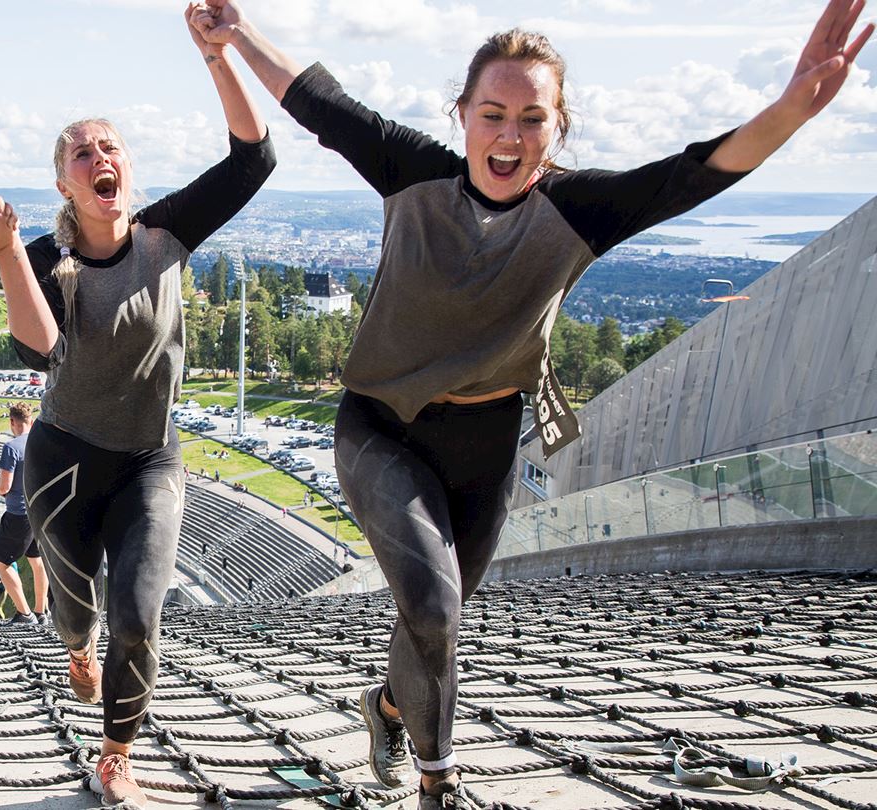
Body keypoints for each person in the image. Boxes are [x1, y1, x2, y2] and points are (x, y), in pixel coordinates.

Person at [194, 1, 870, 806]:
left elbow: (695, 171)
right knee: (437, 607)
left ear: (557, 130)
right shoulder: (414, 173)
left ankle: (385, 706)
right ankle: (437, 783)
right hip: (382, 424)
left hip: (486, 439)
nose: (508, 137)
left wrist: (793, 107)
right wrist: (235, 33)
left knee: (430, 621)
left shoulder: (576, 210)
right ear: (463, 116)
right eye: (492, 115)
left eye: (531, 119)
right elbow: (318, 99)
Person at [0, 6, 275, 806]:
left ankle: (116, 752)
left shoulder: (167, 233)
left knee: (137, 616)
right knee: (80, 616)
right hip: (64, 462)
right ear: (65, 183)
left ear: (125, 170)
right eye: (80, 152)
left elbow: (254, 158)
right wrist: (5, 252)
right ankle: (76, 650)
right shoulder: (45, 257)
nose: (98, 158)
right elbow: (41, 347)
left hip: (148, 457)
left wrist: (218, 56)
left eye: (109, 147)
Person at [0, 402, 48, 624]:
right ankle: (41, 612)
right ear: (31, 421)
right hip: (38, 513)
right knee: (37, 560)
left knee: (1, 563)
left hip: (18, 515)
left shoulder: (11, 448)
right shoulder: (39, 444)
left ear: (12, 422)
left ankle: (25, 614)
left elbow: (4, 487)